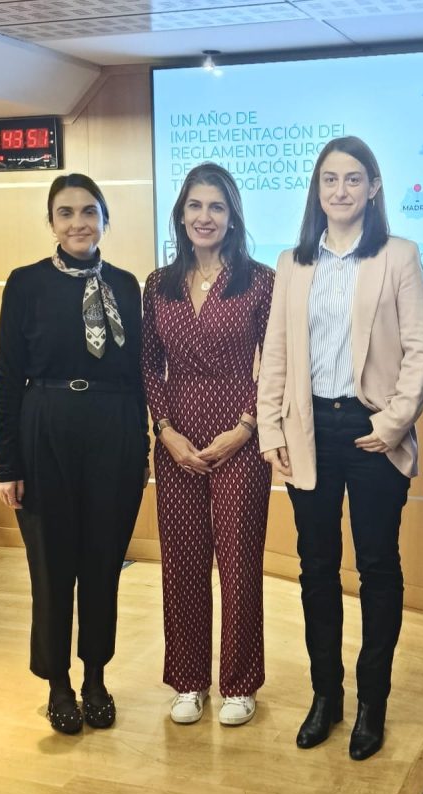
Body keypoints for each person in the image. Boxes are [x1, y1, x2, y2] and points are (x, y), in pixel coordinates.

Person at [257, 136, 423, 761]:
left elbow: (418, 349)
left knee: (378, 568)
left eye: (353, 179)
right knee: (316, 568)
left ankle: (371, 703)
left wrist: (394, 423)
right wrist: (271, 429)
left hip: (373, 430)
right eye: (330, 179)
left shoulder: (399, 255)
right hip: (310, 431)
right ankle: (325, 696)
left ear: (373, 187)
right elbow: (276, 351)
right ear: (317, 189)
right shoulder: (292, 262)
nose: (341, 190)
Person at [0, 173, 149, 736]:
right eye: (66, 213)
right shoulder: (26, 283)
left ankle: (96, 678)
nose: (78, 222)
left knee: (103, 565)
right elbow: (8, 376)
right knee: (53, 566)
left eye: (89, 211)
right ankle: (58, 682)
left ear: (105, 218)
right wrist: (7, 463)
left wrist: (142, 445)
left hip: (114, 431)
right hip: (46, 428)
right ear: (51, 222)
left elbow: (139, 374)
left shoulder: (128, 285)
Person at [142, 163, 274, 727]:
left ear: (232, 217)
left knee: (239, 565)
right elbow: (149, 363)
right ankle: (189, 681)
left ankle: (240, 684)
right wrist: (165, 430)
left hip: (240, 437)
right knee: (182, 564)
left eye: (216, 207)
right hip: (176, 440)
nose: (205, 217)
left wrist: (245, 427)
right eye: (195, 206)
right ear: (180, 215)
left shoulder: (260, 280)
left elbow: (277, 363)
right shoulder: (159, 284)